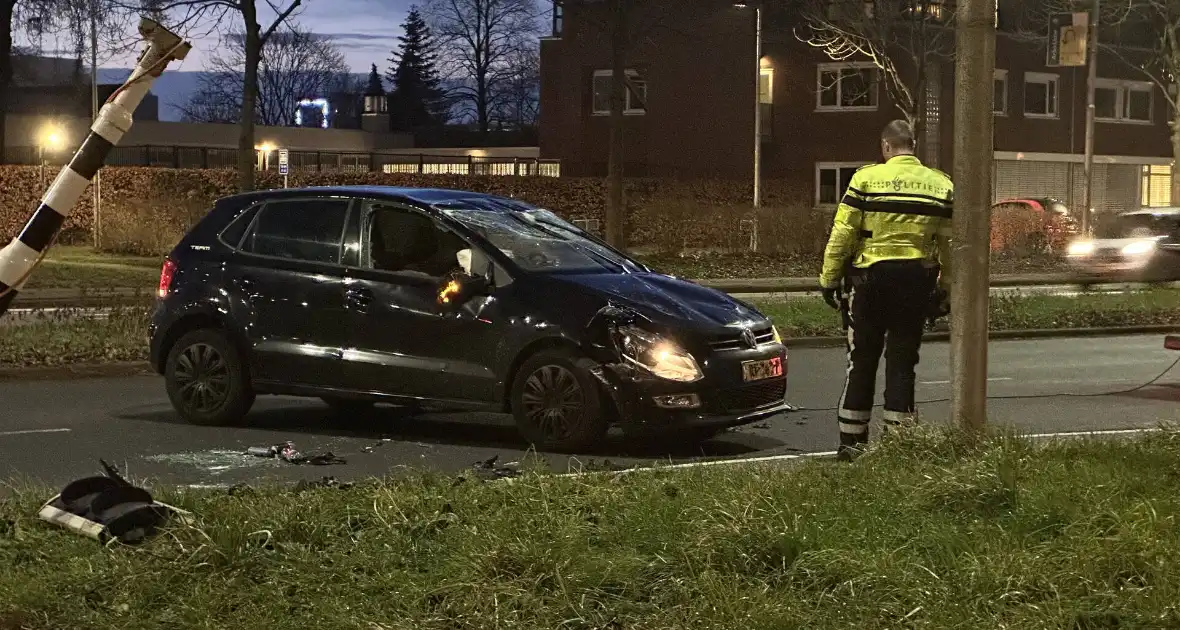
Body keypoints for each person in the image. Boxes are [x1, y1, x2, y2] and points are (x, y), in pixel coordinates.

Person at [818, 119, 953, 461]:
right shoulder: (940, 185)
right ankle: (900, 447)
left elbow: (843, 233)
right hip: (915, 283)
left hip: (870, 283)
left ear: (886, 147)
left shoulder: (865, 179)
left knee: (861, 362)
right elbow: (950, 244)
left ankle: (852, 445)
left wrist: (829, 279)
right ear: (913, 146)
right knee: (903, 362)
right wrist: (946, 288)